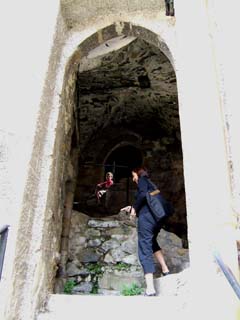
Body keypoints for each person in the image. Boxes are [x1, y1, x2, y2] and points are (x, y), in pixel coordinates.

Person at [121, 167, 169, 296]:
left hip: (147, 218)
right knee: (152, 241)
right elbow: (146, 199)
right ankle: (165, 269)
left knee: (144, 247)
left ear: (138, 173)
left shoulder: (142, 179)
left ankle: (150, 288)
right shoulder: (150, 184)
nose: (133, 179)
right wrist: (132, 207)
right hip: (157, 217)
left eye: (133, 175)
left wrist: (134, 209)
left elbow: (142, 195)